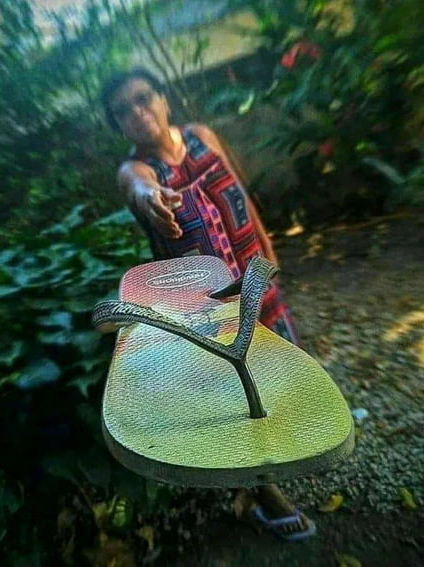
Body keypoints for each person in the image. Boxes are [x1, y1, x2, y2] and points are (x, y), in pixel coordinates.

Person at [100, 68, 315, 540]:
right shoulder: (134, 171)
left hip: (256, 279)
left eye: (143, 98)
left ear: (163, 99)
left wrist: (269, 251)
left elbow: (241, 194)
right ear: (118, 126)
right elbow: (139, 189)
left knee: (279, 368)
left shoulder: (202, 136)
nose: (138, 112)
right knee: (234, 393)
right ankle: (264, 494)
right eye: (123, 111)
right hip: (209, 308)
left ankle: (286, 448)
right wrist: (151, 198)